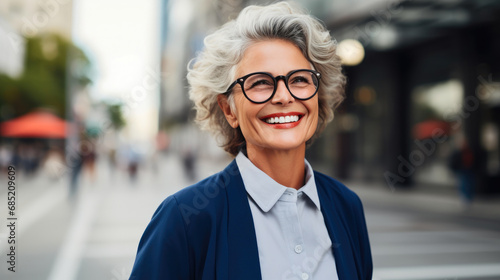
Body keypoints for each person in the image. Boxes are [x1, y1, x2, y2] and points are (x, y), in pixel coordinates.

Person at [130, 2, 372, 279]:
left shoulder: (347, 206)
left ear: (318, 96)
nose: (284, 96)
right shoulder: (183, 219)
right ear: (229, 109)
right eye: (260, 83)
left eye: (300, 80)